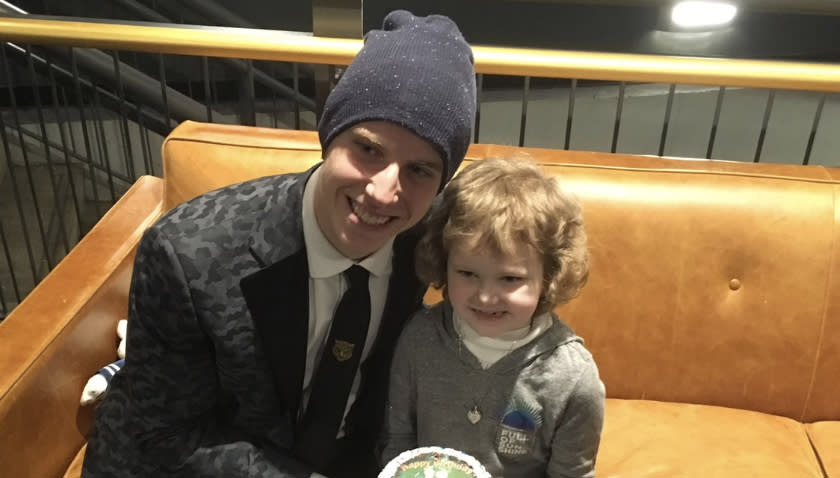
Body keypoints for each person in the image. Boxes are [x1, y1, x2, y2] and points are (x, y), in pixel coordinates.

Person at [82, 9, 476, 478]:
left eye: (419, 170)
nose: (383, 191)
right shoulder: (186, 253)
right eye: (368, 149)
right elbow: (165, 437)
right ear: (329, 137)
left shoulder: (430, 234)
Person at [382, 158, 606, 478]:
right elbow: (398, 442)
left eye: (510, 279)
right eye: (468, 273)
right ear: (443, 263)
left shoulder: (573, 378)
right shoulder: (419, 338)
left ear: (550, 275)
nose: (485, 297)